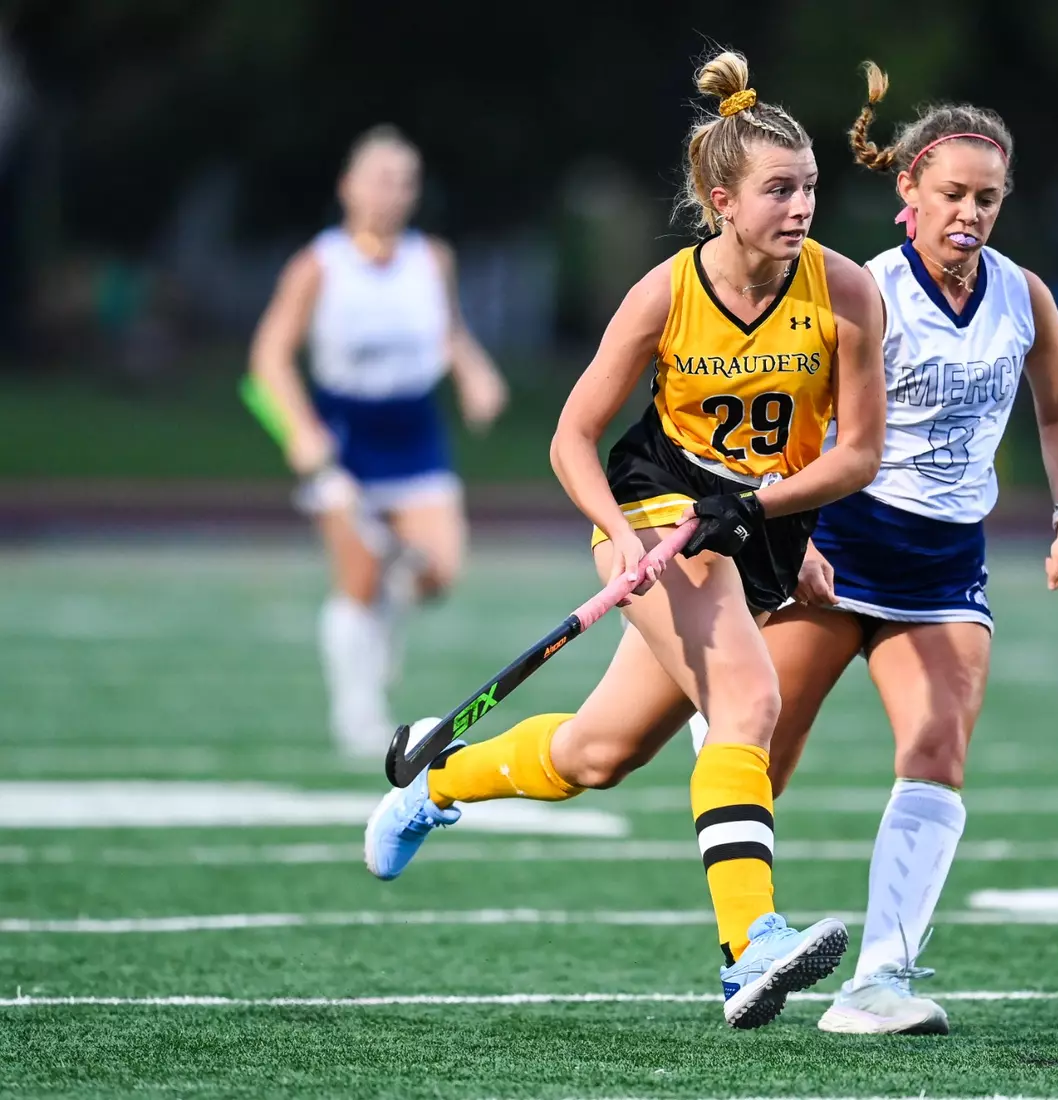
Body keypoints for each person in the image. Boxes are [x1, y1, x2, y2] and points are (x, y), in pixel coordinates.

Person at [361, 51, 887, 1030]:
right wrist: (616, 536)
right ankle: (748, 946)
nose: (801, 207)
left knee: (595, 753)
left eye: (809, 186)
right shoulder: (664, 294)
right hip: (656, 512)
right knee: (747, 699)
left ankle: (435, 780)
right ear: (721, 201)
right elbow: (571, 437)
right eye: (779, 189)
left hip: (757, 531)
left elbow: (858, 452)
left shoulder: (845, 291)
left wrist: (767, 510)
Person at [690, 61, 1058, 1034]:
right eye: (951, 193)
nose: (970, 214)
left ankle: (879, 980)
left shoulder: (1023, 296)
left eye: (987, 198)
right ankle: (745, 951)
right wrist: (785, 533)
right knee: (761, 748)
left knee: (936, 748)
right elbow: (796, 421)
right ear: (907, 187)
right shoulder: (860, 290)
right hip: (838, 546)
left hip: (944, 563)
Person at [249, 125, 509, 761]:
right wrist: (299, 431)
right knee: (360, 574)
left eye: (405, 182)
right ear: (348, 187)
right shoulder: (318, 265)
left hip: (415, 432)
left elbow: (448, 331)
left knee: (438, 571)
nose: (393, 193)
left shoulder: (432, 259)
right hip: (346, 438)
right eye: (380, 179)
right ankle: (357, 712)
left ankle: (386, 620)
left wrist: (474, 373)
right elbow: (269, 357)